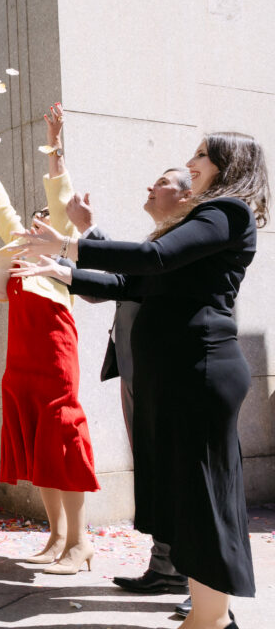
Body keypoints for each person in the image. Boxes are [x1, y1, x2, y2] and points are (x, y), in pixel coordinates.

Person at [12, 131, 269, 629]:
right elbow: (137, 284)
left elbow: (152, 261)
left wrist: (70, 243)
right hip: (179, 375)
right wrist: (66, 269)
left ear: (225, 163)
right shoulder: (204, 218)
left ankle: (213, 620)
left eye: (200, 155)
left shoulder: (227, 213)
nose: (191, 162)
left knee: (202, 498)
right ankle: (206, 613)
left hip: (200, 371)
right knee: (186, 498)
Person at [0, 103, 99, 576]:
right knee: (38, 447)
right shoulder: (19, 249)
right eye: (34, 218)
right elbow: (0, 206)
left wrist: (55, 142)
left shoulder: (58, 261)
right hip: (20, 363)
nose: (37, 221)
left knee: (60, 442)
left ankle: (81, 544)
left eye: (47, 219)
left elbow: (60, 193)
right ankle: (56, 537)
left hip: (56, 358)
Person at [65, 170, 196, 603]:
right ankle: (166, 567)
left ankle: (194, 580)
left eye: (161, 182)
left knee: (177, 473)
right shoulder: (165, 240)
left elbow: (134, 269)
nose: (148, 187)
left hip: (169, 375)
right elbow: (122, 280)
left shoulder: (188, 243)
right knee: (155, 470)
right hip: (138, 371)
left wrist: (81, 239)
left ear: (186, 195)